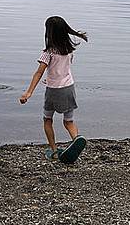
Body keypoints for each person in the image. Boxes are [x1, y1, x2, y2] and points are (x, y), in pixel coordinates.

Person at [20, 16, 88, 160]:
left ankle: (54, 150)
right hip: (69, 88)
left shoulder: (48, 53)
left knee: (47, 119)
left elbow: (39, 72)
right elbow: (63, 69)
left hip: (54, 90)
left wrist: (28, 92)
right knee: (68, 121)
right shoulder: (70, 51)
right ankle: (77, 139)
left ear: (49, 33)